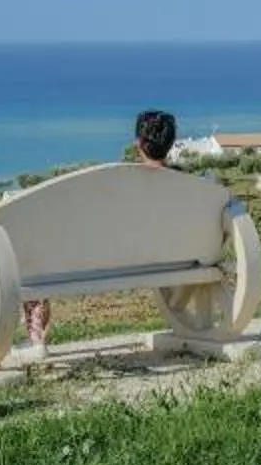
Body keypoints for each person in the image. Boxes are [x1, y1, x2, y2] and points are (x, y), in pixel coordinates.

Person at [23, 108, 179, 356]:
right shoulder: (191, 187)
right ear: (171, 143)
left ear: (138, 142)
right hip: (174, 260)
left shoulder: (120, 181)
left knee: (31, 265)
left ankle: (37, 339)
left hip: (98, 263)